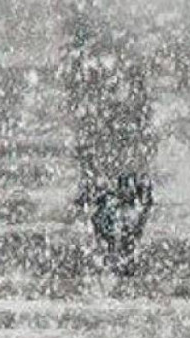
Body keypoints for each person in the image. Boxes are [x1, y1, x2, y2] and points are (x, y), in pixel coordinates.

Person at [59, 1, 155, 276]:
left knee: (112, 171)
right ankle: (118, 240)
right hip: (105, 90)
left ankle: (116, 240)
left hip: (108, 90)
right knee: (113, 171)